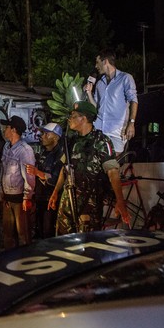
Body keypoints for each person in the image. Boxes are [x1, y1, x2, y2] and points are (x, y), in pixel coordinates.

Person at [49, 101, 130, 235]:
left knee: (87, 248)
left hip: (88, 205)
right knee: (63, 245)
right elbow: (65, 169)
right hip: (67, 203)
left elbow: (112, 172)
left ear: (84, 118)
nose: (70, 119)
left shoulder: (101, 141)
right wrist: (55, 192)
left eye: (74, 116)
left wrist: (120, 200)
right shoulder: (71, 142)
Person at [85, 48, 138, 154]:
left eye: (97, 62)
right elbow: (96, 107)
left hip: (116, 131)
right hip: (99, 129)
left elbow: (133, 100)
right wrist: (89, 93)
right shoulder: (100, 83)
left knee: (110, 164)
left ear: (105, 61)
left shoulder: (125, 78)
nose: (96, 66)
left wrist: (131, 123)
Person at [0, 116, 36, 249]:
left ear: (14, 130)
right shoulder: (6, 147)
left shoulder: (25, 150)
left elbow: (29, 176)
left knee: (23, 235)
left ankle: (25, 263)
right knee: (8, 234)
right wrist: (1, 190)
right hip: (8, 197)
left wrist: (27, 197)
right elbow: (3, 169)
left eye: (7, 127)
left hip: (20, 199)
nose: (4, 130)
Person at [25, 122, 64, 239]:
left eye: (47, 134)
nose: (42, 136)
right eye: (43, 133)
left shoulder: (61, 154)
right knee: (39, 231)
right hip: (40, 198)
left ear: (56, 137)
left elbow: (56, 179)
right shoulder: (43, 151)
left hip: (51, 200)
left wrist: (37, 172)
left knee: (48, 233)